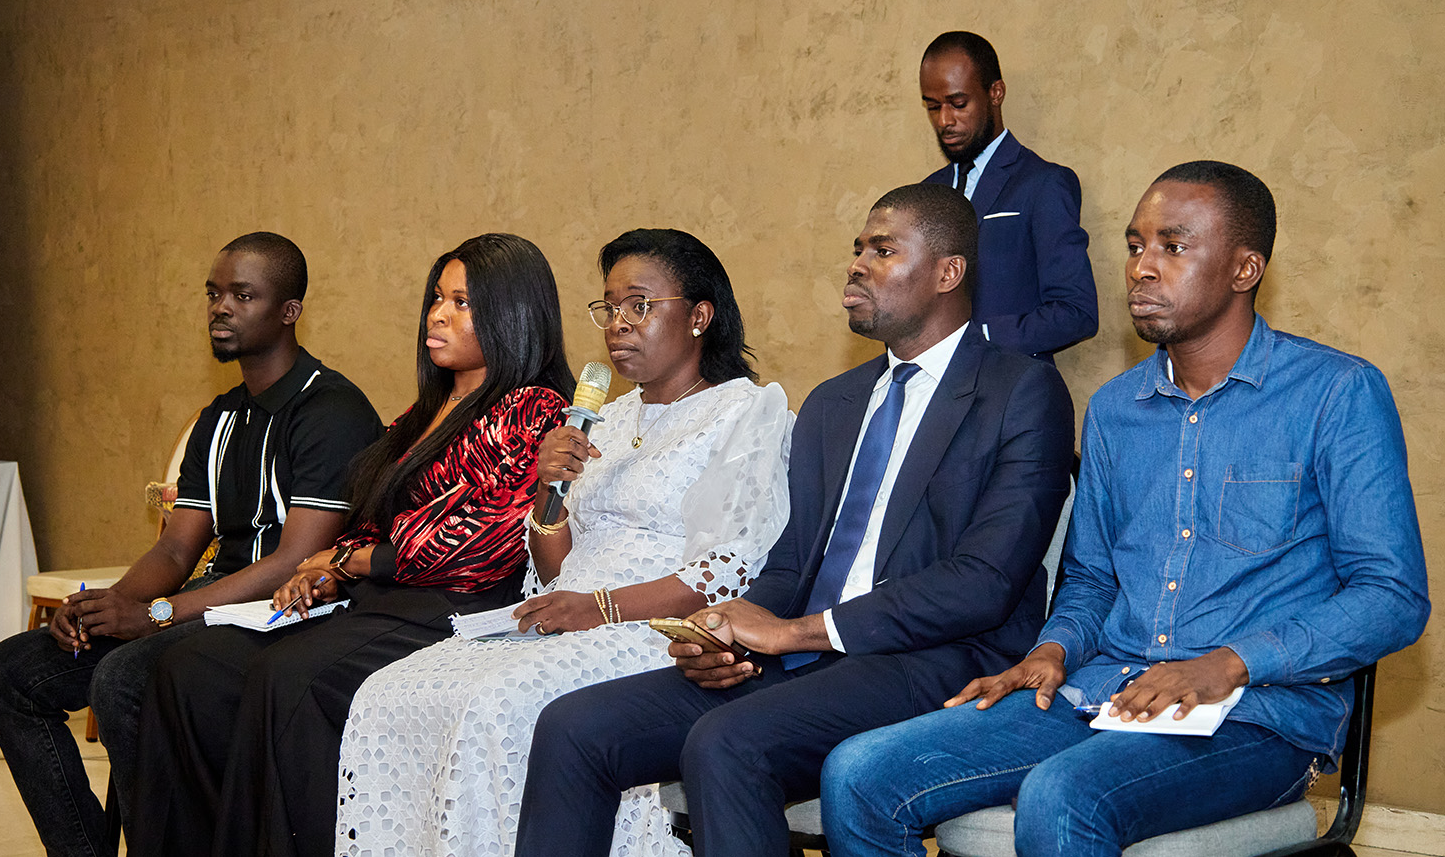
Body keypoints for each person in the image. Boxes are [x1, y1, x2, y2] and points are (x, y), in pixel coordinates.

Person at [820, 161, 1432, 857]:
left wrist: (1228, 663)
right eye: (1136, 246)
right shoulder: (1115, 409)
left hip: (1257, 716)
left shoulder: (1336, 394)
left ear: (1245, 268)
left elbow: (1392, 596)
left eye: (1173, 247)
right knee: (860, 773)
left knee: (1063, 795)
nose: (1142, 267)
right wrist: (1051, 651)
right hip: (1103, 694)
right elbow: (1092, 579)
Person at [515, 184, 1076, 857]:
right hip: (806, 658)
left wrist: (794, 633)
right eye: (857, 249)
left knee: (727, 742)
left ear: (948, 272)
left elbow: (984, 582)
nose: (857, 265)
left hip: (937, 659)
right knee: (574, 727)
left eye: (883, 251)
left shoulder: (1019, 391)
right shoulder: (835, 402)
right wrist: (729, 632)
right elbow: (792, 562)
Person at [333, 228, 793, 856]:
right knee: (391, 694)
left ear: (699, 317)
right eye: (610, 307)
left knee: (492, 706)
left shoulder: (746, 412)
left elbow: (727, 570)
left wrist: (599, 608)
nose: (618, 324)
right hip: (568, 611)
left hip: (655, 626)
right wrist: (549, 490)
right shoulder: (606, 417)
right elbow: (557, 569)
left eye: (640, 306)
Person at [127, 233, 575, 857]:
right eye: (437, 298)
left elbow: (485, 541)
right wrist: (334, 568)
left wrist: (351, 559)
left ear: (513, 315)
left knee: (289, 680)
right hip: (379, 598)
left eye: (463, 303)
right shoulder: (425, 411)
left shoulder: (534, 408)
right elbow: (373, 510)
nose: (438, 315)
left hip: (453, 609)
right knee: (190, 669)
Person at [0, 232, 382, 857]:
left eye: (242, 296)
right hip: (213, 602)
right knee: (10, 674)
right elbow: (174, 552)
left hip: (293, 612)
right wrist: (109, 606)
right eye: (214, 293)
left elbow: (292, 562)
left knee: (125, 679)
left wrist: (157, 615)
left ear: (289, 311)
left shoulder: (331, 410)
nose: (221, 308)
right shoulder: (219, 417)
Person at [918, 31, 1097, 359]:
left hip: (1010, 384)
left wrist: (979, 338)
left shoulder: (1044, 183)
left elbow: (1076, 312)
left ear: (995, 93)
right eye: (932, 106)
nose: (944, 120)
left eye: (959, 104)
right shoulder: (924, 194)